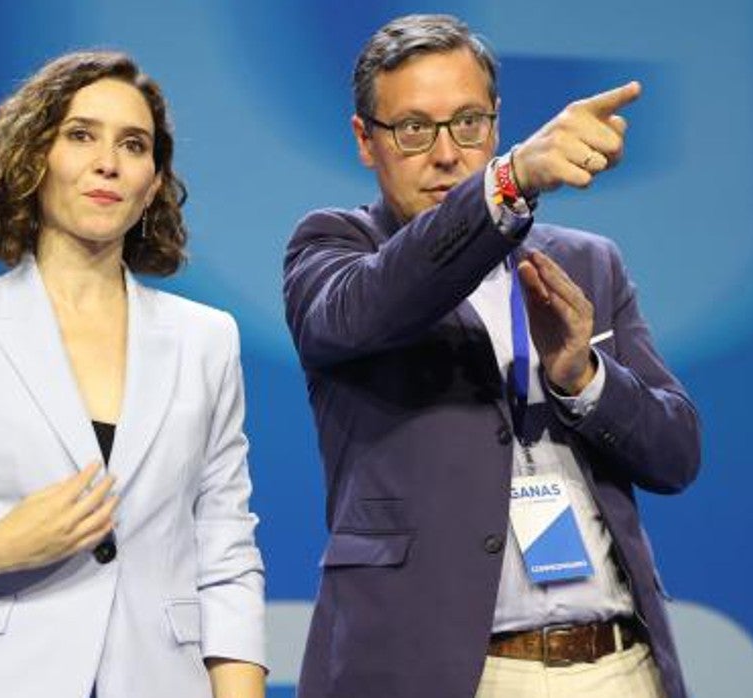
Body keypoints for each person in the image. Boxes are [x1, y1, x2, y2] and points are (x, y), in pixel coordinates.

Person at [0, 51, 266, 698]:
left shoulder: (206, 340)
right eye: (81, 135)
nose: (108, 162)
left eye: (133, 144)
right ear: (33, 158)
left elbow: (225, 554)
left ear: (153, 182)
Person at [283, 14, 700, 698]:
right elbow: (377, 304)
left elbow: (677, 452)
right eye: (414, 128)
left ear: (497, 124)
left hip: (615, 664)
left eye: (469, 123)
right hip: (444, 672)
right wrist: (508, 185)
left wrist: (583, 379)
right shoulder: (334, 249)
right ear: (366, 141)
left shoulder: (587, 263)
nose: (447, 154)